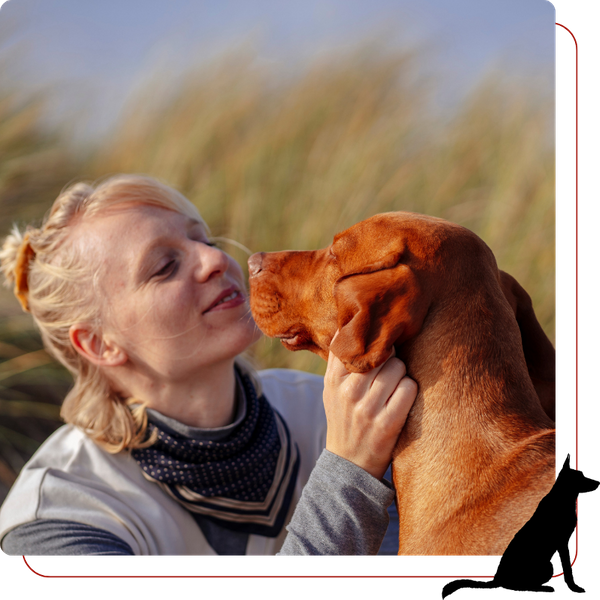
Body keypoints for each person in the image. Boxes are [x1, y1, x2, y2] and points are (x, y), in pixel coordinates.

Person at [0, 174, 417, 557]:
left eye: (207, 241)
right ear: (98, 343)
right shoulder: (55, 516)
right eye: (165, 267)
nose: (214, 260)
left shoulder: (334, 411)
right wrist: (350, 474)